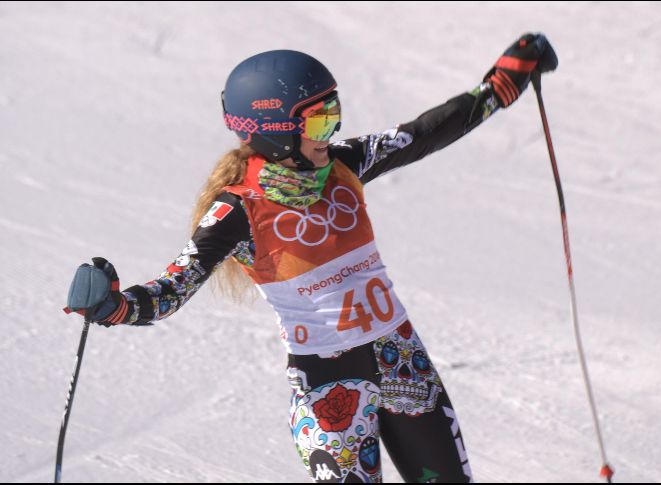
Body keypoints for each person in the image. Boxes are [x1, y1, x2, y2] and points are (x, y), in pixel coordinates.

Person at [65, 33, 557, 483]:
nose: (331, 130)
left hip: (399, 356)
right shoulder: (237, 210)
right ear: (274, 130)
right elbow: (174, 287)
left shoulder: (343, 163)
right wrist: (114, 306)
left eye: (334, 113)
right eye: (320, 120)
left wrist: (503, 82)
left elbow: (427, 132)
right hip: (329, 383)